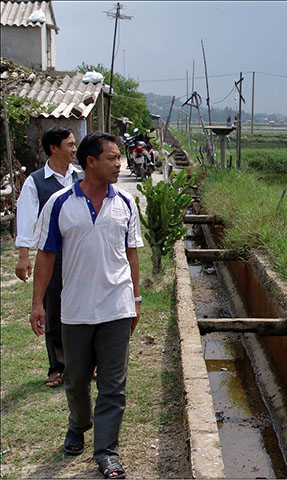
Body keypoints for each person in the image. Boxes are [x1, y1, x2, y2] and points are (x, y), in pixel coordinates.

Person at [30, 131, 143, 479]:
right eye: (112, 158)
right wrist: (37, 304)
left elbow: (131, 254)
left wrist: (136, 300)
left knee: (113, 385)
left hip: (117, 307)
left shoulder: (125, 203)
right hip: (75, 308)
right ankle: (78, 424)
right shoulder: (60, 203)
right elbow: (46, 255)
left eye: (120, 157)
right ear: (90, 162)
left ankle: (107, 452)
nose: (119, 164)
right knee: (76, 379)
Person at [15, 125, 81, 387]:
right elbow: (26, 219)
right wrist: (24, 256)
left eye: (75, 144)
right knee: (54, 309)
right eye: (70, 145)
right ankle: (58, 367)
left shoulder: (81, 177)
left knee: (85, 306)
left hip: (81, 253)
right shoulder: (36, 182)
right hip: (53, 254)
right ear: (54, 148)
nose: (74, 149)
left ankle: (87, 363)